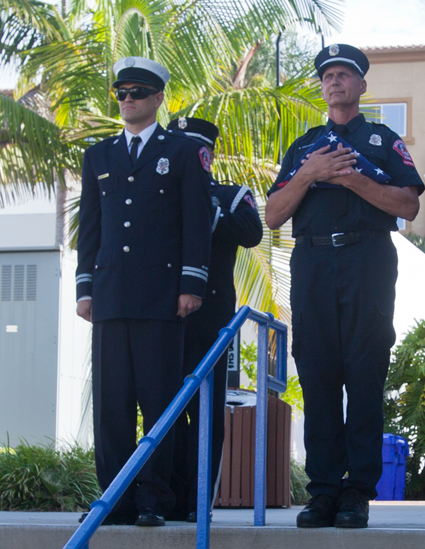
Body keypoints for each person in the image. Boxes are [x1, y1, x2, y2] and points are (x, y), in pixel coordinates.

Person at [265, 43, 424, 529]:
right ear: (322, 86)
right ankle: (324, 491)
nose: (335, 82)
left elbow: (409, 205)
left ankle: (358, 491)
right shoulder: (303, 146)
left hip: (367, 259)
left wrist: (354, 181)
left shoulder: (381, 141)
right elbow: (272, 214)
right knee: (317, 376)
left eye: (345, 75)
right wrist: (311, 173)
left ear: (361, 85)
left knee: (363, 373)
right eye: (328, 75)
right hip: (312, 261)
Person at [75, 57, 213, 527]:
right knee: (111, 405)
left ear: (157, 98)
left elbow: (196, 222)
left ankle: (154, 499)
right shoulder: (98, 155)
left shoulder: (183, 150)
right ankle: (113, 498)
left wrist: (191, 283)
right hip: (111, 296)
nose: (127, 100)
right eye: (121, 93)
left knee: (159, 401)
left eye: (137, 92)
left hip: (161, 296)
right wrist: (85, 288)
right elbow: (89, 228)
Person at [164, 116, 263, 522]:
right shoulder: (158, 192)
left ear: (207, 155)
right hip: (163, 317)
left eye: (195, 149)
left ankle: (197, 500)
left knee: (206, 410)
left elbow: (251, 231)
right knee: (163, 409)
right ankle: (166, 496)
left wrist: (204, 205)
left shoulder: (231, 195)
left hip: (210, 318)